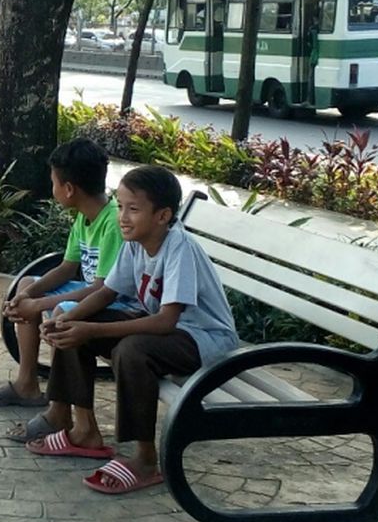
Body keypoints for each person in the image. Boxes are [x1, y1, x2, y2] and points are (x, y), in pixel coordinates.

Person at [24, 165, 238, 496]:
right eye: (121, 206)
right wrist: (67, 319)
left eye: (133, 209)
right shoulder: (135, 242)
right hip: (170, 335)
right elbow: (107, 292)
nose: (122, 216)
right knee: (71, 325)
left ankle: (145, 459)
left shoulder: (179, 248)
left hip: (205, 339)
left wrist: (91, 330)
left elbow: (166, 321)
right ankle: (85, 433)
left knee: (131, 350)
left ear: (163, 215)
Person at [0, 140, 125, 415]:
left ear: (69, 189)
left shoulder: (112, 224)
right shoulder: (84, 217)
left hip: (116, 302)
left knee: (60, 311)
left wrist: (40, 305)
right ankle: (27, 384)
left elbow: (103, 288)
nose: (53, 190)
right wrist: (25, 296)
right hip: (97, 292)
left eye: (54, 184)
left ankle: (60, 410)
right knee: (27, 284)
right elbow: (66, 267)